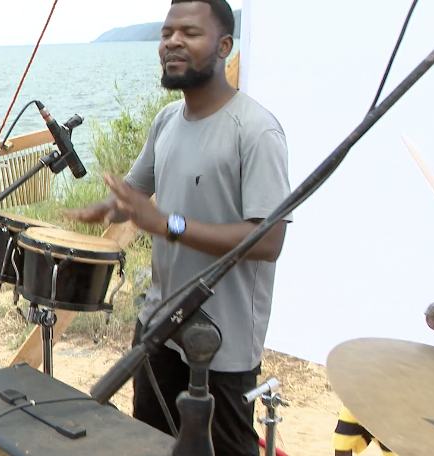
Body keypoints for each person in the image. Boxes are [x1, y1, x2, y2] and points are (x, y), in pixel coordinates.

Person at [66, 1, 292, 455]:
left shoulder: (255, 130)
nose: (172, 41)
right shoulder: (167, 121)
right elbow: (135, 191)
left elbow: (268, 240)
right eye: (167, 32)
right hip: (158, 326)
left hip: (219, 345)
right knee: (149, 442)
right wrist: (107, 208)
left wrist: (165, 223)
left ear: (224, 45)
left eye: (190, 32)